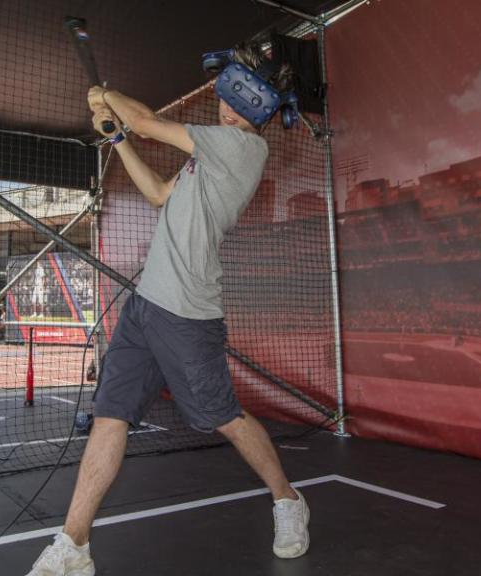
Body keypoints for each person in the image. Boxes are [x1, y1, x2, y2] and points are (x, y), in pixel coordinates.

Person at [26, 44, 307, 576]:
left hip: (187, 316)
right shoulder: (210, 151)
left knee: (221, 416)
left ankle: (288, 500)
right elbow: (157, 192)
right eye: (230, 92)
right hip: (144, 308)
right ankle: (73, 544)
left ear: (263, 108)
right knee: (110, 418)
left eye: (244, 98)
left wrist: (106, 95)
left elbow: (149, 122)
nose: (229, 106)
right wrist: (116, 138)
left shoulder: (242, 150)